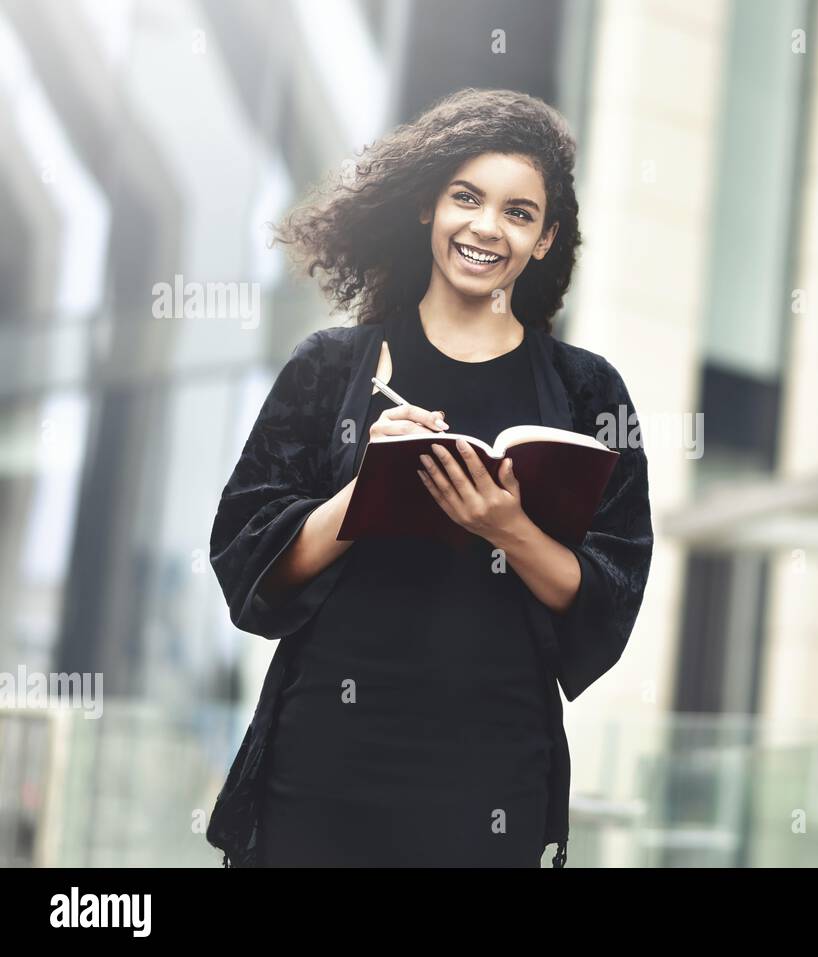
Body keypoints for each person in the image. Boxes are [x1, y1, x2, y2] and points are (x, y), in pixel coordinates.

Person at [204, 88, 654, 867]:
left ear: (544, 240)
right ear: (427, 209)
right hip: (322, 765)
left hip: (489, 778)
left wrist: (506, 527)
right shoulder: (329, 369)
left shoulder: (590, 392)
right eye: (467, 198)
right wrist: (365, 489)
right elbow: (247, 560)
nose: (486, 227)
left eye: (518, 213)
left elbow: (611, 596)